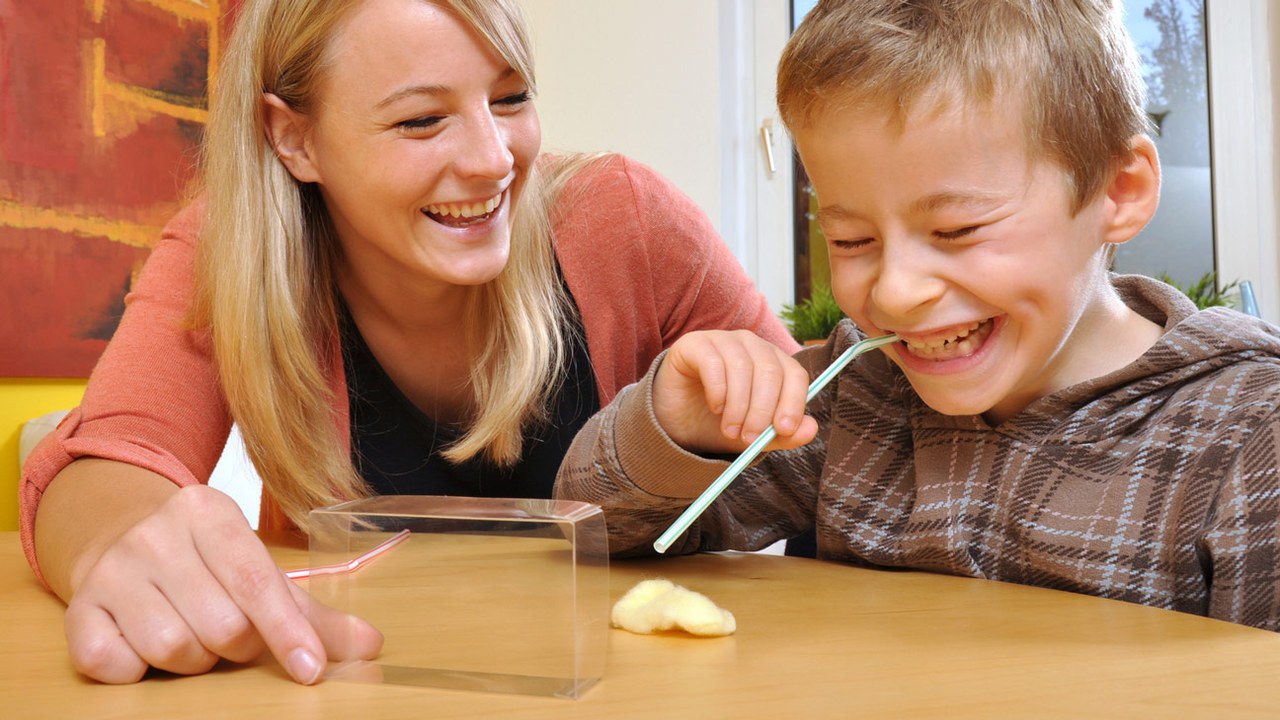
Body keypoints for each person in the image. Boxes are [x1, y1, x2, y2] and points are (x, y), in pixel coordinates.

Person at [19, 0, 797, 686]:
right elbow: (105, 463)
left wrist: (713, 425)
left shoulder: (625, 220)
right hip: (355, 687)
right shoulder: (227, 253)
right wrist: (120, 543)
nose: (494, 159)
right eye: (422, 120)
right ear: (294, 139)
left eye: (510, 97)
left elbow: (824, 441)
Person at [555, 0, 1280, 632]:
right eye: (851, 240)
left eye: (957, 230)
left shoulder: (1251, 435)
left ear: (1118, 192)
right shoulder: (855, 395)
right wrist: (674, 430)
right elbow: (592, 537)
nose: (896, 293)